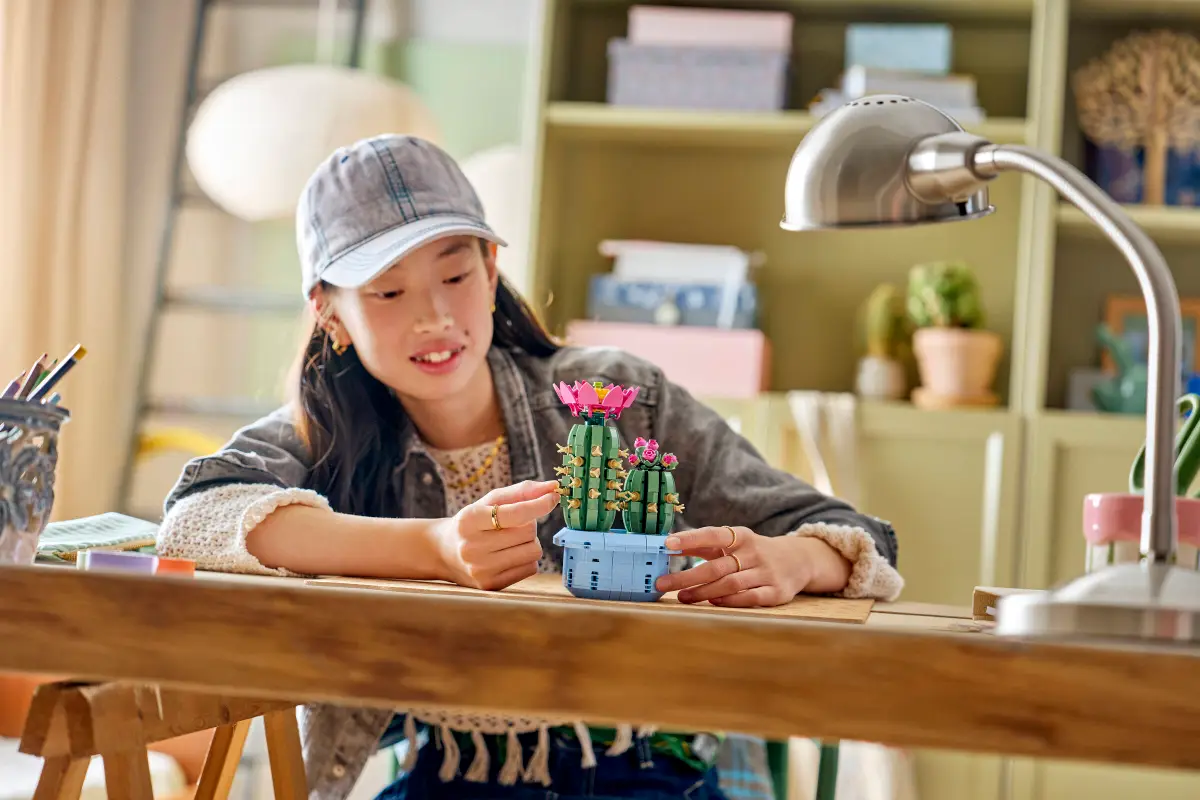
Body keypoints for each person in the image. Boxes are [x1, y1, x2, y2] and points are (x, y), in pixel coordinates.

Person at [157, 133, 904, 800]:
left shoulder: (623, 396)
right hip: (451, 775)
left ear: (490, 268)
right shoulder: (320, 434)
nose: (435, 318)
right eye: (388, 291)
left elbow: (852, 537)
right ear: (329, 312)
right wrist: (435, 549)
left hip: (641, 771)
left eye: (455, 276)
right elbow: (196, 518)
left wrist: (793, 560)